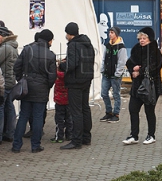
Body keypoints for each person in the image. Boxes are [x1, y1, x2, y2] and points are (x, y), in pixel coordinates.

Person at [11, 29, 57, 153]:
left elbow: (16, 67)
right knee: (37, 117)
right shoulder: (51, 55)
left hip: (27, 87)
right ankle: (35, 146)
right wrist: (47, 86)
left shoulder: (27, 49)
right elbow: (52, 76)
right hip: (41, 89)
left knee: (23, 116)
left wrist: (21, 79)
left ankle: (16, 145)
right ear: (49, 40)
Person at [123, 26, 162, 145]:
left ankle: (151, 135)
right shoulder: (136, 49)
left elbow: (155, 67)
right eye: (140, 38)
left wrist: (139, 71)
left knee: (149, 111)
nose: (141, 40)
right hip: (137, 86)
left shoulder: (155, 51)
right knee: (132, 109)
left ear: (150, 38)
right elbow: (129, 62)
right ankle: (134, 135)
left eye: (144, 38)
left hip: (150, 87)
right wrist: (132, 69)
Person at [60, 22, 95, 150]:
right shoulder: (87, 43)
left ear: (69, 33)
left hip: (75, 82)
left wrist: (61, 65)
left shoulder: (73, 45)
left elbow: (72, 64)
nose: (66, 36)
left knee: (76, 111)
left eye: (66, 33)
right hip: (86, 79)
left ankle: (76, 141)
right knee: (85, 108)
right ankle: (87, 137)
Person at [0, 26, 18, 144]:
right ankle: (10, 133)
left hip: (4, 81)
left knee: (0, 108)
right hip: (11, 80)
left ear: (4, 36)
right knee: (9, 107)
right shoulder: (13, 46)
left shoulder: (5, 48)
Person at [100, 26, 127, 123]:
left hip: (115, 76)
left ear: (116, 34)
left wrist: (117, 74)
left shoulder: (121, 47)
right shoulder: (108, 45)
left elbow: (122, 61)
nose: (110, 34)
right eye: (109, 32)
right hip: (106, 74)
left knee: (116, 94)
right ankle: (108, 112)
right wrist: (102, 69)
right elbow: (104, 58)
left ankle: (116, 114)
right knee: (103, 93)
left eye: (112, 32)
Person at [51, 64, 72, 143]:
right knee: (69, 119)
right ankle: (69, 135)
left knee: (59, 120)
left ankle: (59, 137)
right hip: (68, 101)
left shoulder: (58, 78)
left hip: (59, 102)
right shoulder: (69, 78)